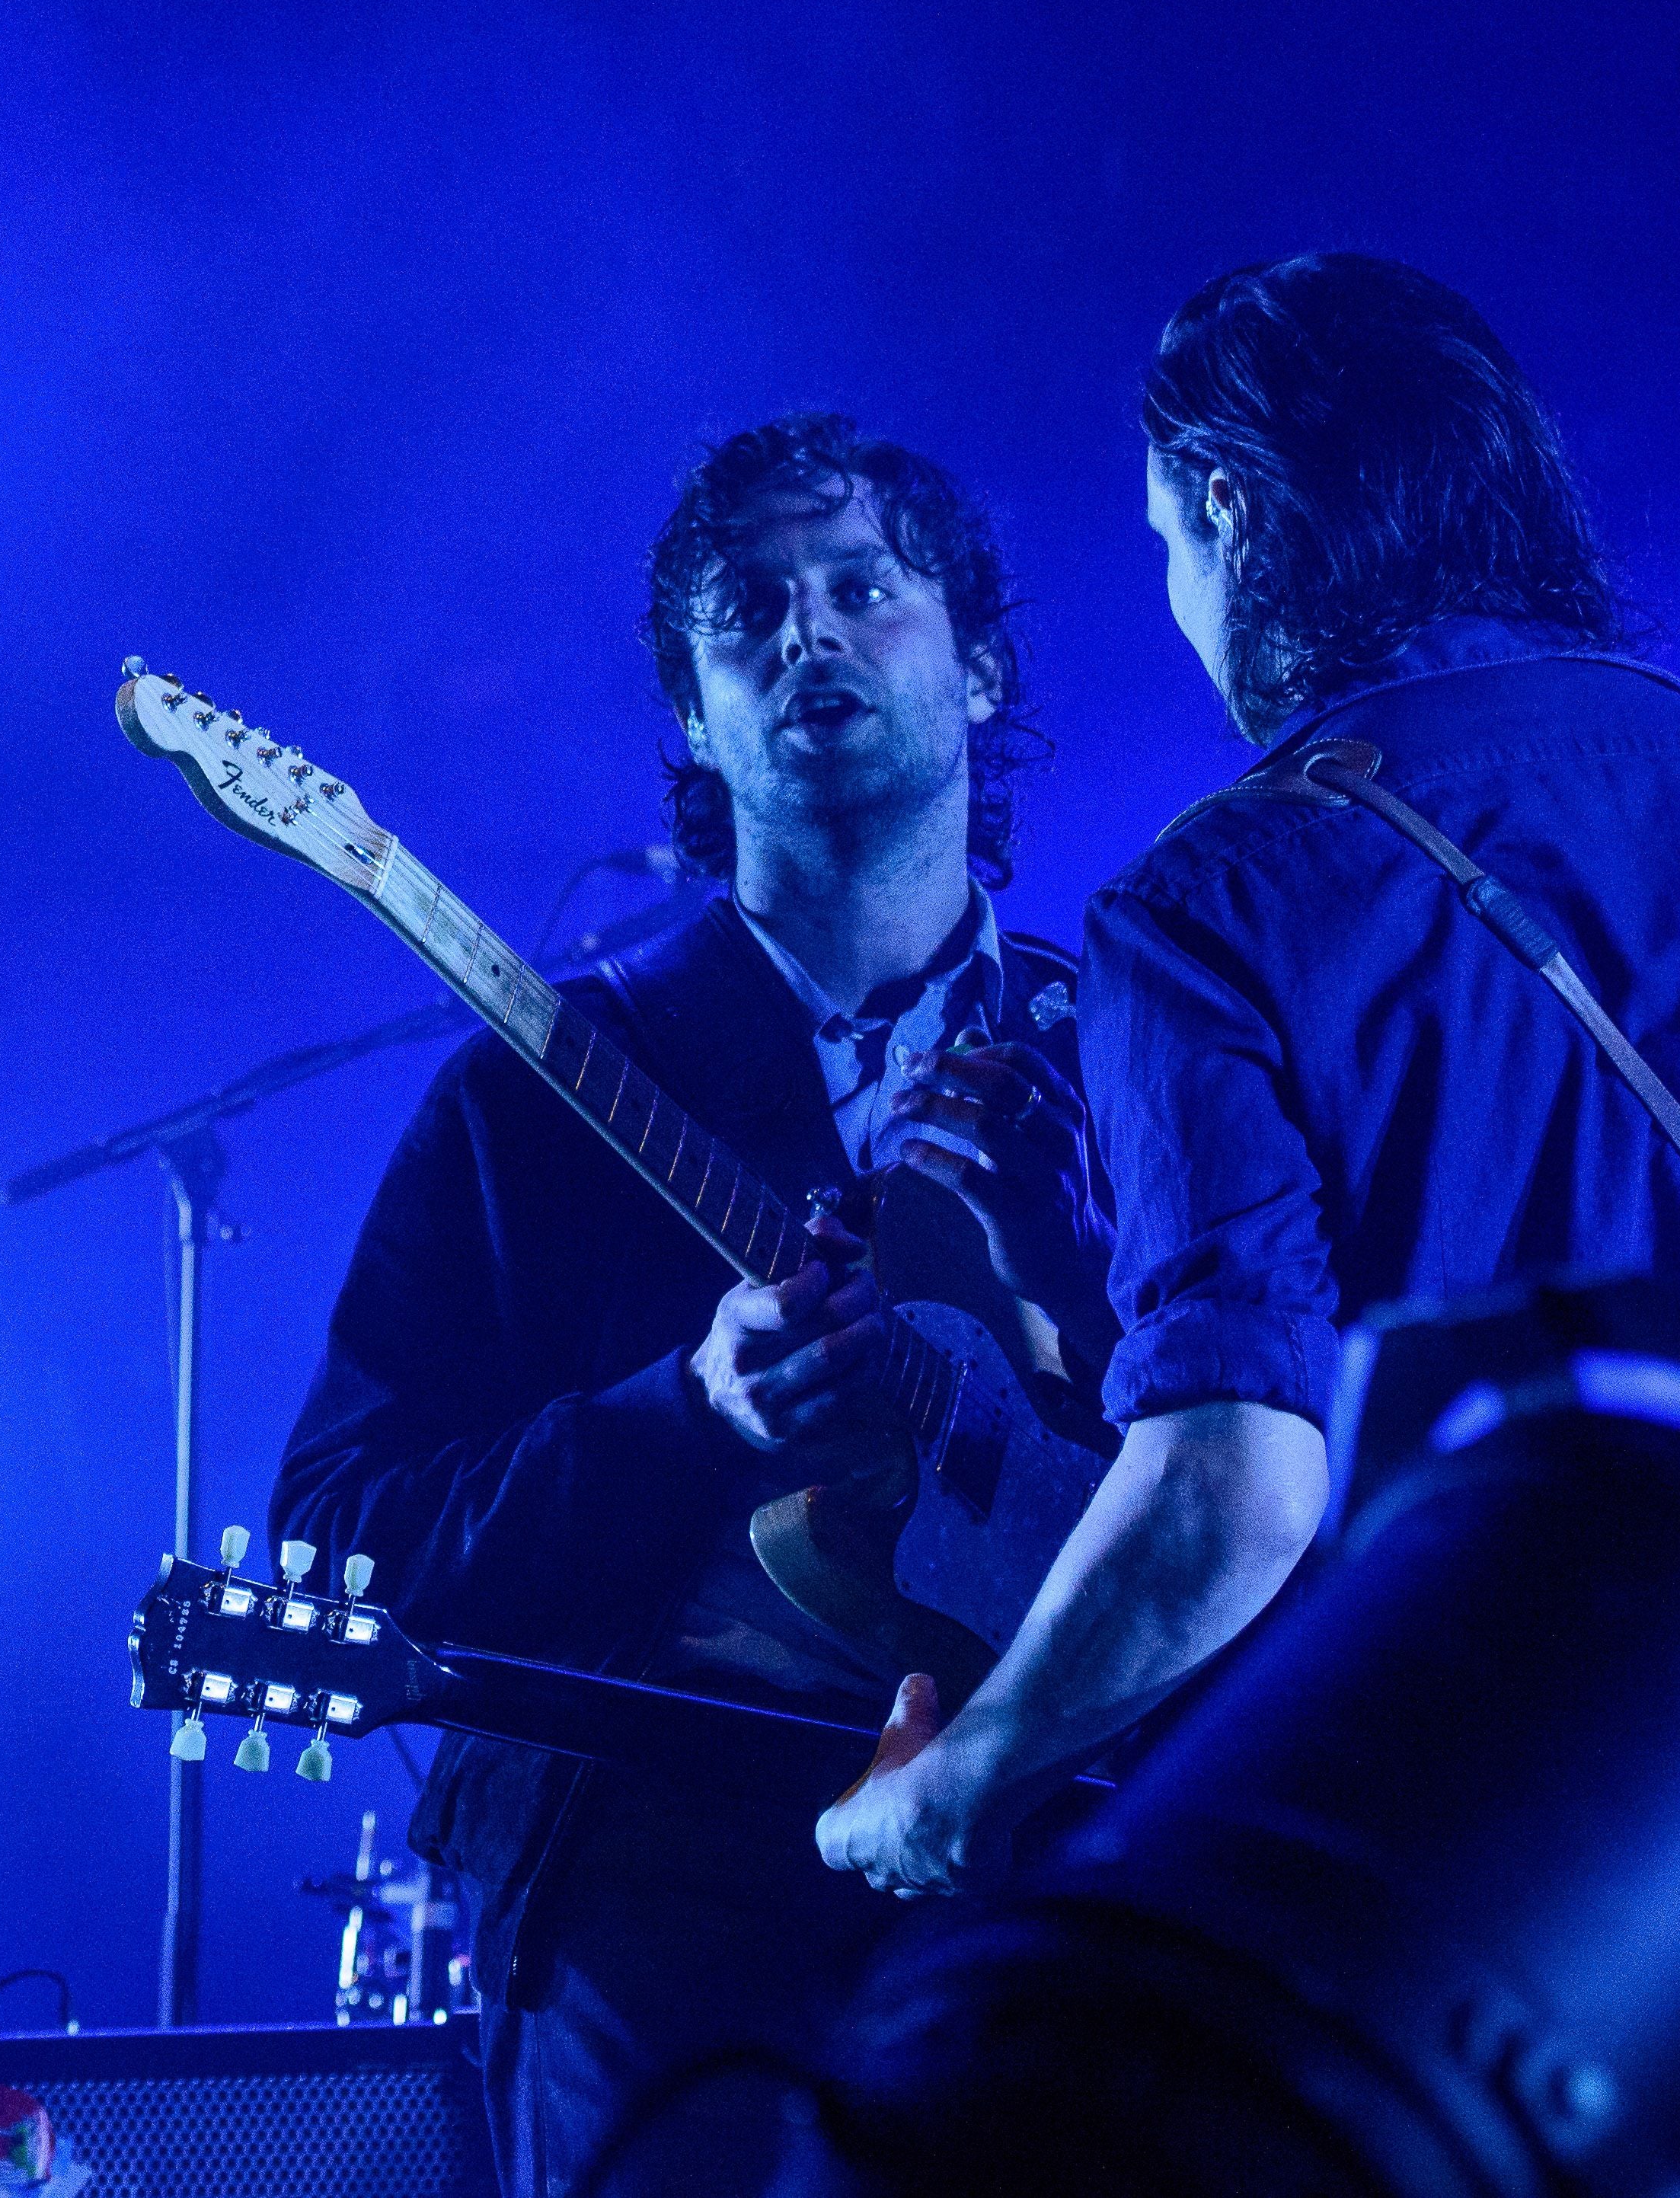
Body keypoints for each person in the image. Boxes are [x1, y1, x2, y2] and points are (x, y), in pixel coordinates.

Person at [816, 254, 1680, 2196]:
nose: (1177, 601)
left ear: (1239, 509)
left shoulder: (1210, 904)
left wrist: (970, 1776)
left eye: (1171, 536)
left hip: (1459, 1973)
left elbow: (1230, 1500)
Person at [272, 413, 1112, 2198]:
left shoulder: (1127, 1061)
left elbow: (1269, 1483)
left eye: (863, 591)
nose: (807, 634)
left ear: (976, 661)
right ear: (690, 716)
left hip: (1064, 1899)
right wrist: (679, 1417)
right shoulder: (537, 1091)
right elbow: (346, 1535)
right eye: (748, 611)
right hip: (660, 1929)